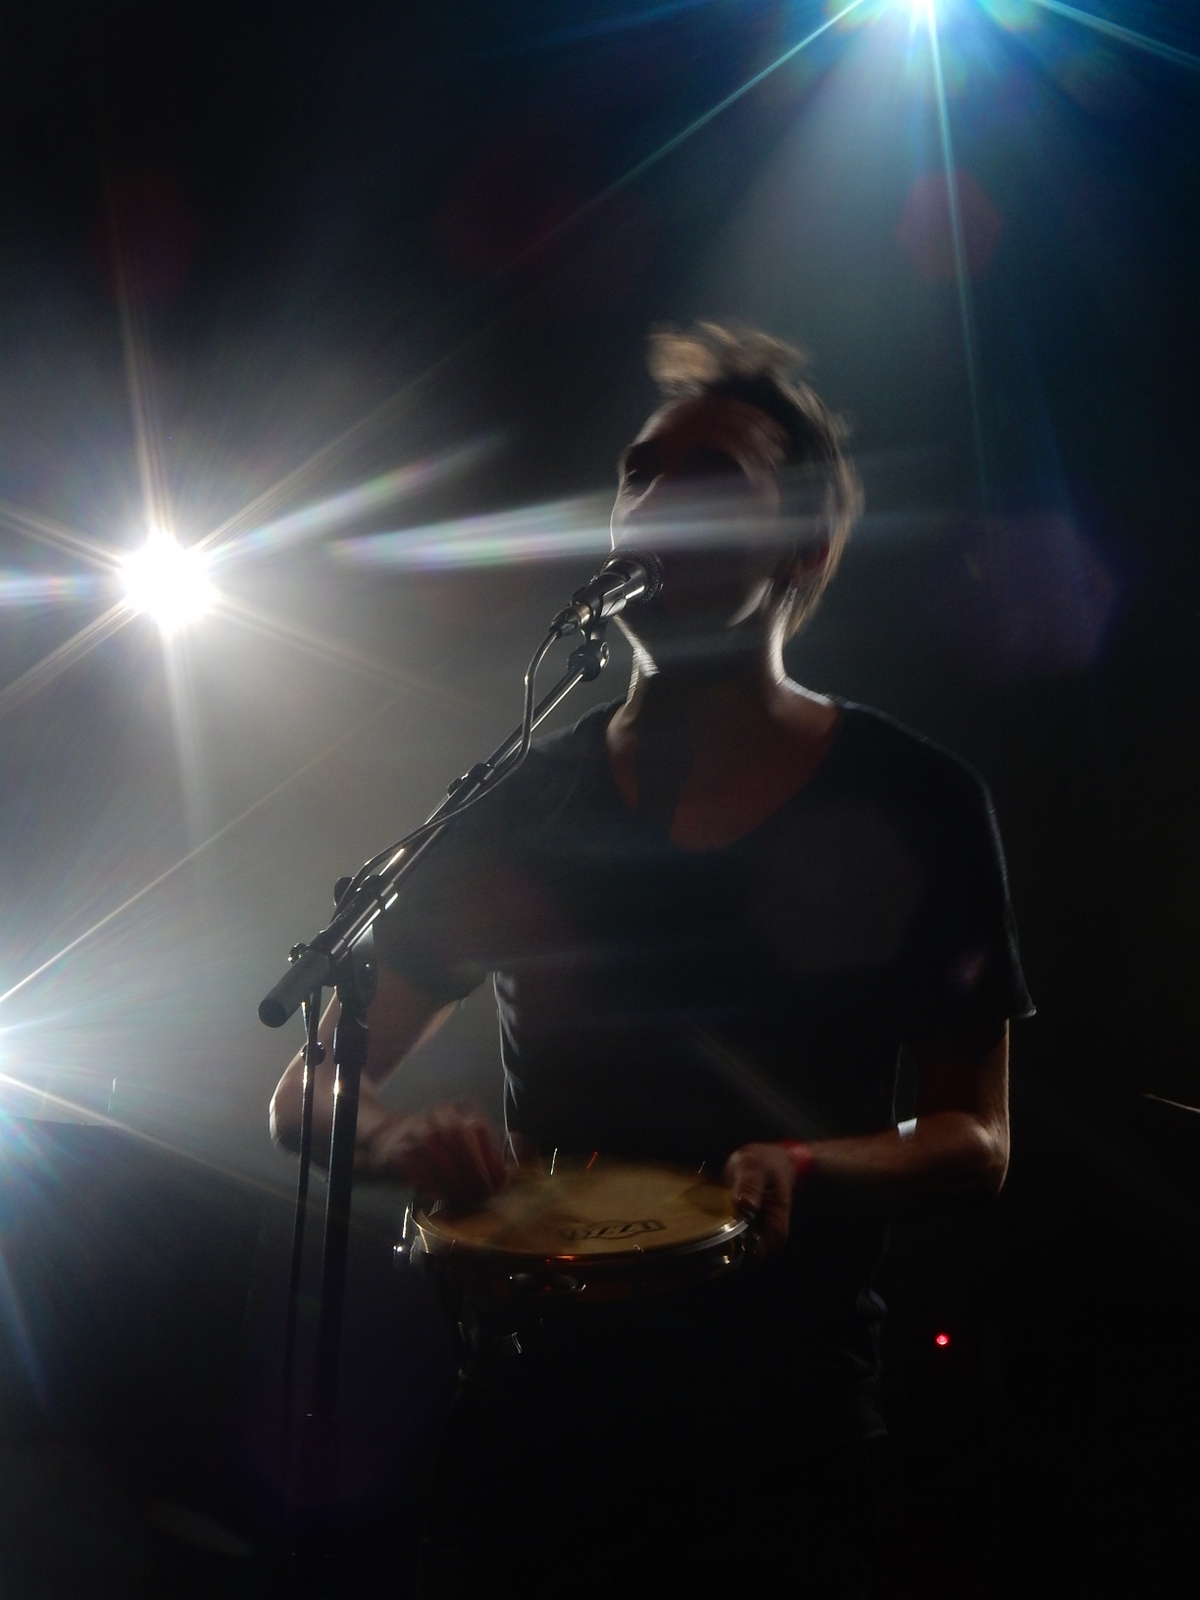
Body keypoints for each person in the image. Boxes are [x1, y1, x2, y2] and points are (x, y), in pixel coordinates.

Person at [270, 323, 1031, 1599]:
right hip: (535, 1414)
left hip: (779, 1431)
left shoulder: (918, 799)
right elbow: (309, 1088)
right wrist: (399, 1136)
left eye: (713, 479)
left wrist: (811, 1166)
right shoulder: (521, 804)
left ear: (803, 545)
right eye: (640, 476)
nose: (657, 504)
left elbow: (978, 1139)